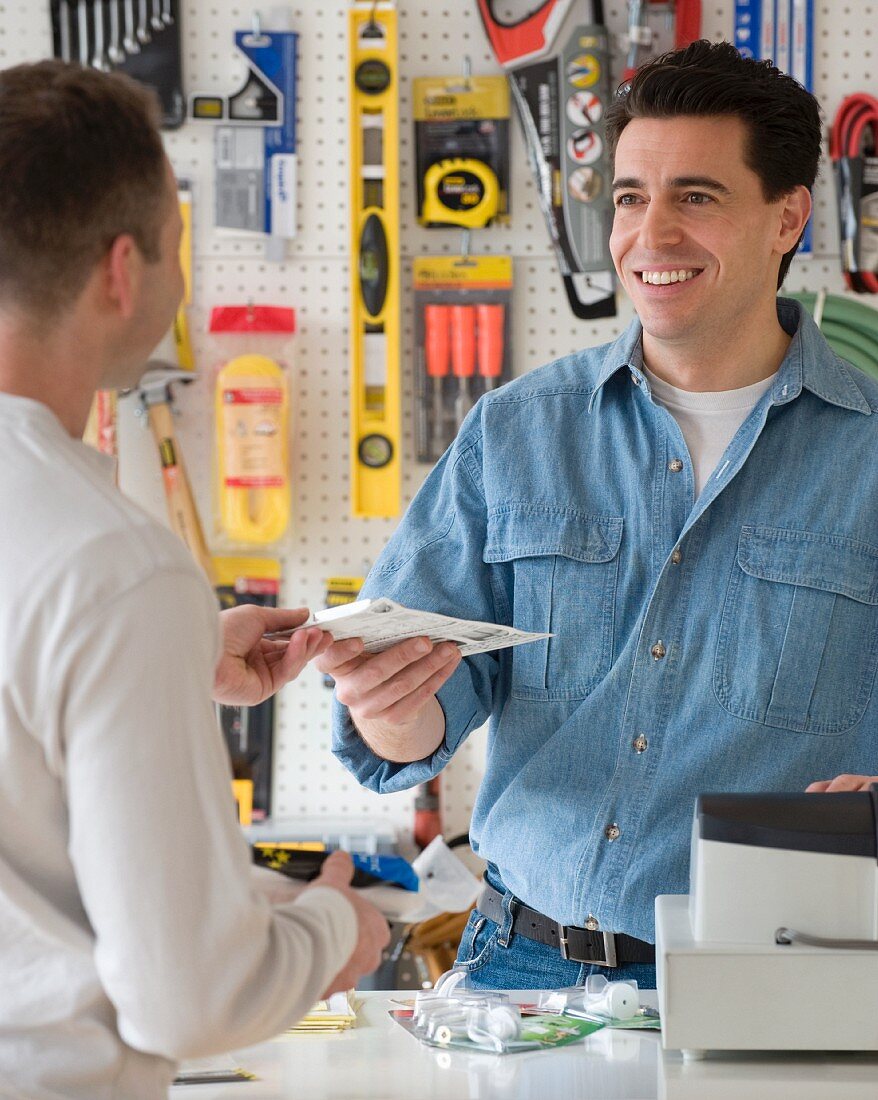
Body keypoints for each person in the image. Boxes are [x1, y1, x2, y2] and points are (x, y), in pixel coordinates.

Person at [325, 40, 878, 992]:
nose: (648, 235)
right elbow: (423, 714)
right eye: (630, 197)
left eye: (696, 197)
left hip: (782, 985)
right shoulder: (515, 432)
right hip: (517, 973)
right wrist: (390, 713)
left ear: (788, 217)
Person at [0, 61, 388, 1100]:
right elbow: (189, 996)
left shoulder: (105, 583)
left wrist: (164, 665)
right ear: (122, 272)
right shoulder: (112, 563)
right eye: (181, 247)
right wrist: (334, 928)